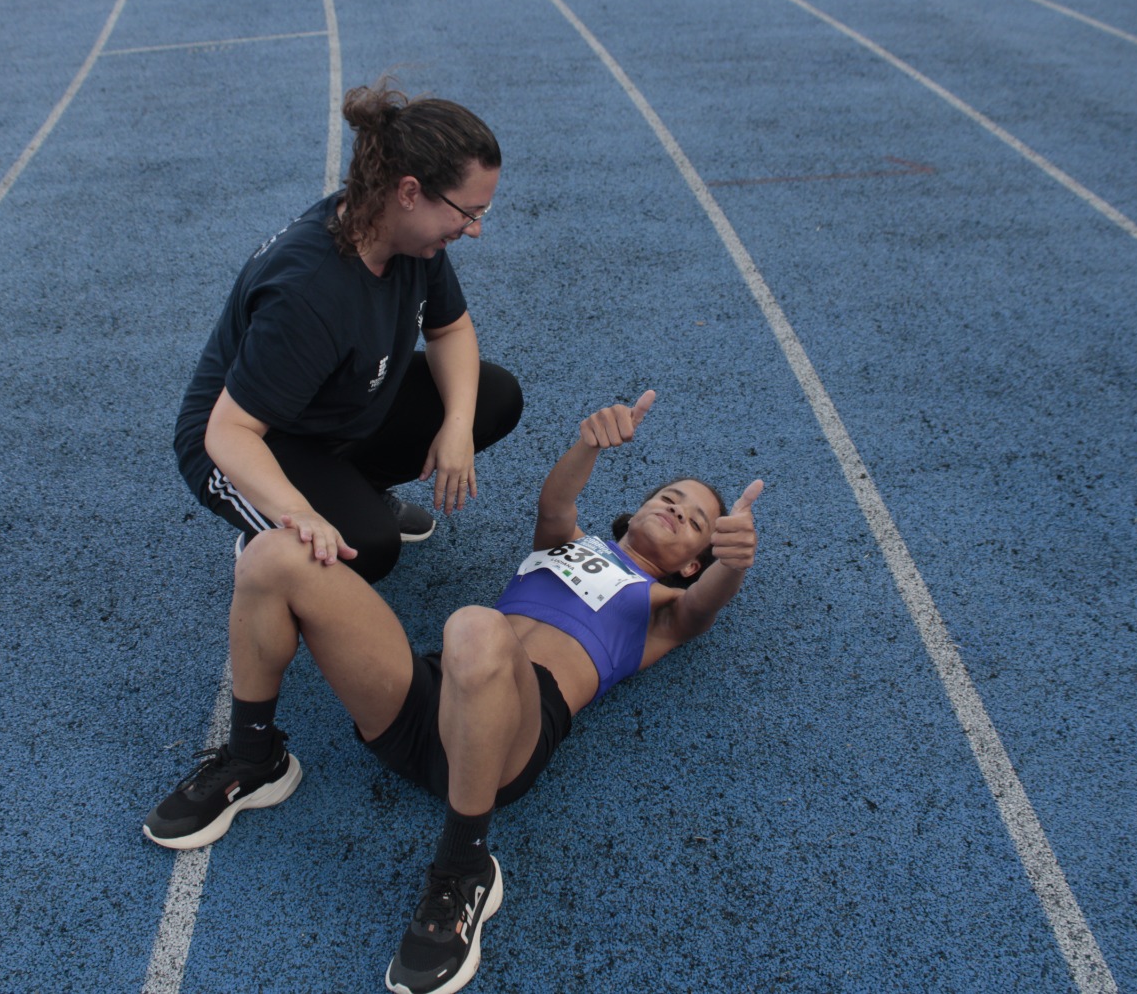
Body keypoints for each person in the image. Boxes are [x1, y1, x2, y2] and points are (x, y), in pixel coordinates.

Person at [143, 390, 763, 994]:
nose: (677, 510)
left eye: (696, 522)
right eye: (670, 498)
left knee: (475, 626)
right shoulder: (567, 545)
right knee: (273, 551)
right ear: (638, 506)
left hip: (512, 733)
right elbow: (556, 503)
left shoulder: (665, 606)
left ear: (690, 563)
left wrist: (730, 566)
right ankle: (255, 758)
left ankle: (464, 870)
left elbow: (699, 615)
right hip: (432, 699)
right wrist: (586, 445)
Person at [173, 80, 523, 584]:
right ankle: (270, 538)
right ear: (409, 192)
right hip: (245, 439)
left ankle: (350, 489)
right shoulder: (308, 293)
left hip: (329, 406)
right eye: (468, 212)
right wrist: (300, 514)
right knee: (362, 550)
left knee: (494, 397)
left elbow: (450, 331)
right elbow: (228, 432)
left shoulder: (408, 240)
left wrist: (457, 425)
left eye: (481, 213)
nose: (474, 229)